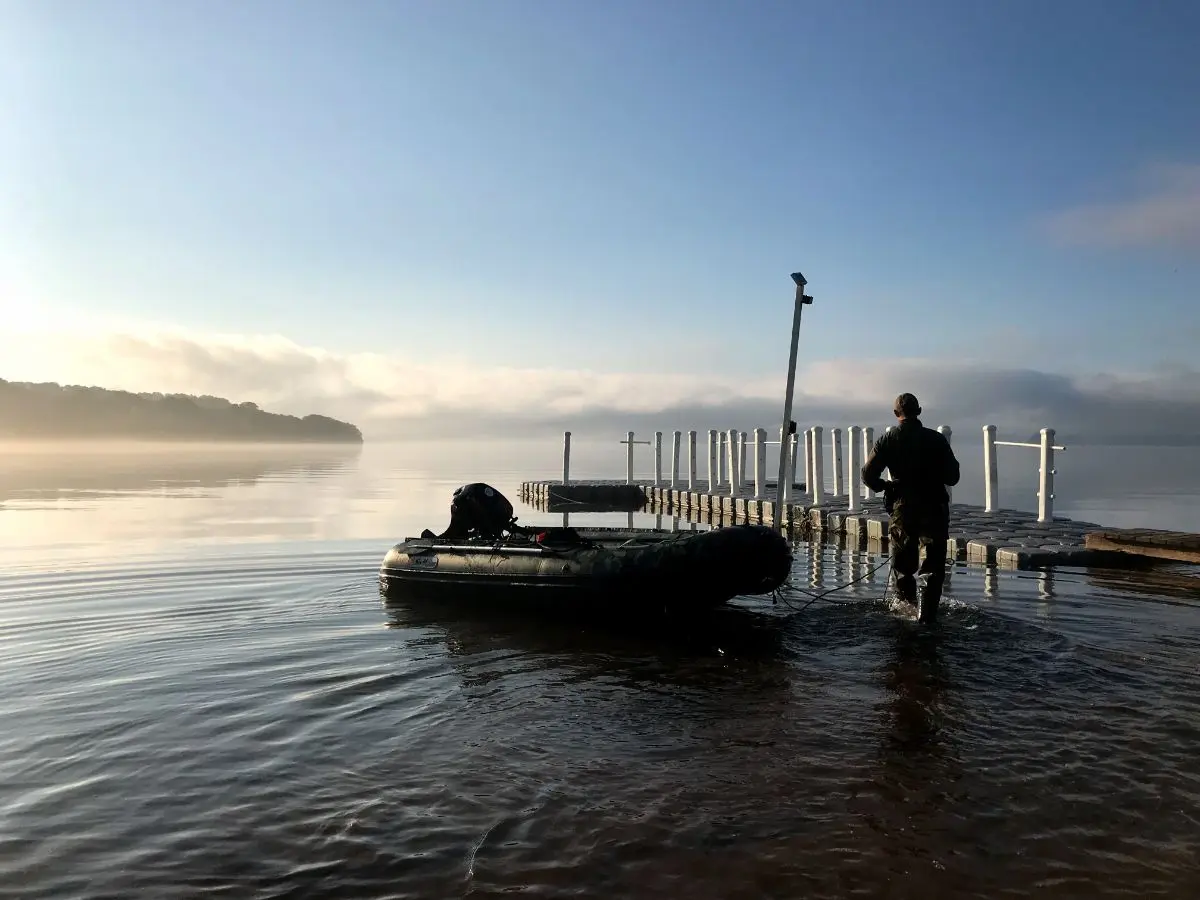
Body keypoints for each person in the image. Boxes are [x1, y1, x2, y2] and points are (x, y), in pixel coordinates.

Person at [861, 393, 960, 623]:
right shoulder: (936, 440)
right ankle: (926, 618)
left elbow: (867, 475)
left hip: (903, 509)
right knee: (933, 566)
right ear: (920, 411)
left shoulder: (888, 439)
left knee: (903, 568)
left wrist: (886, 485)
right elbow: (953, 476)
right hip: (934, 508)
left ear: (896, 414)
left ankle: (906, 617)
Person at [425, 482, 520, 541]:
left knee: (457, 533)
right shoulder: (503, 512)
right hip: (466, 499)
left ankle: (436, 539)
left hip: (468, 497)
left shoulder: (502, 512)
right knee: (456, 533)